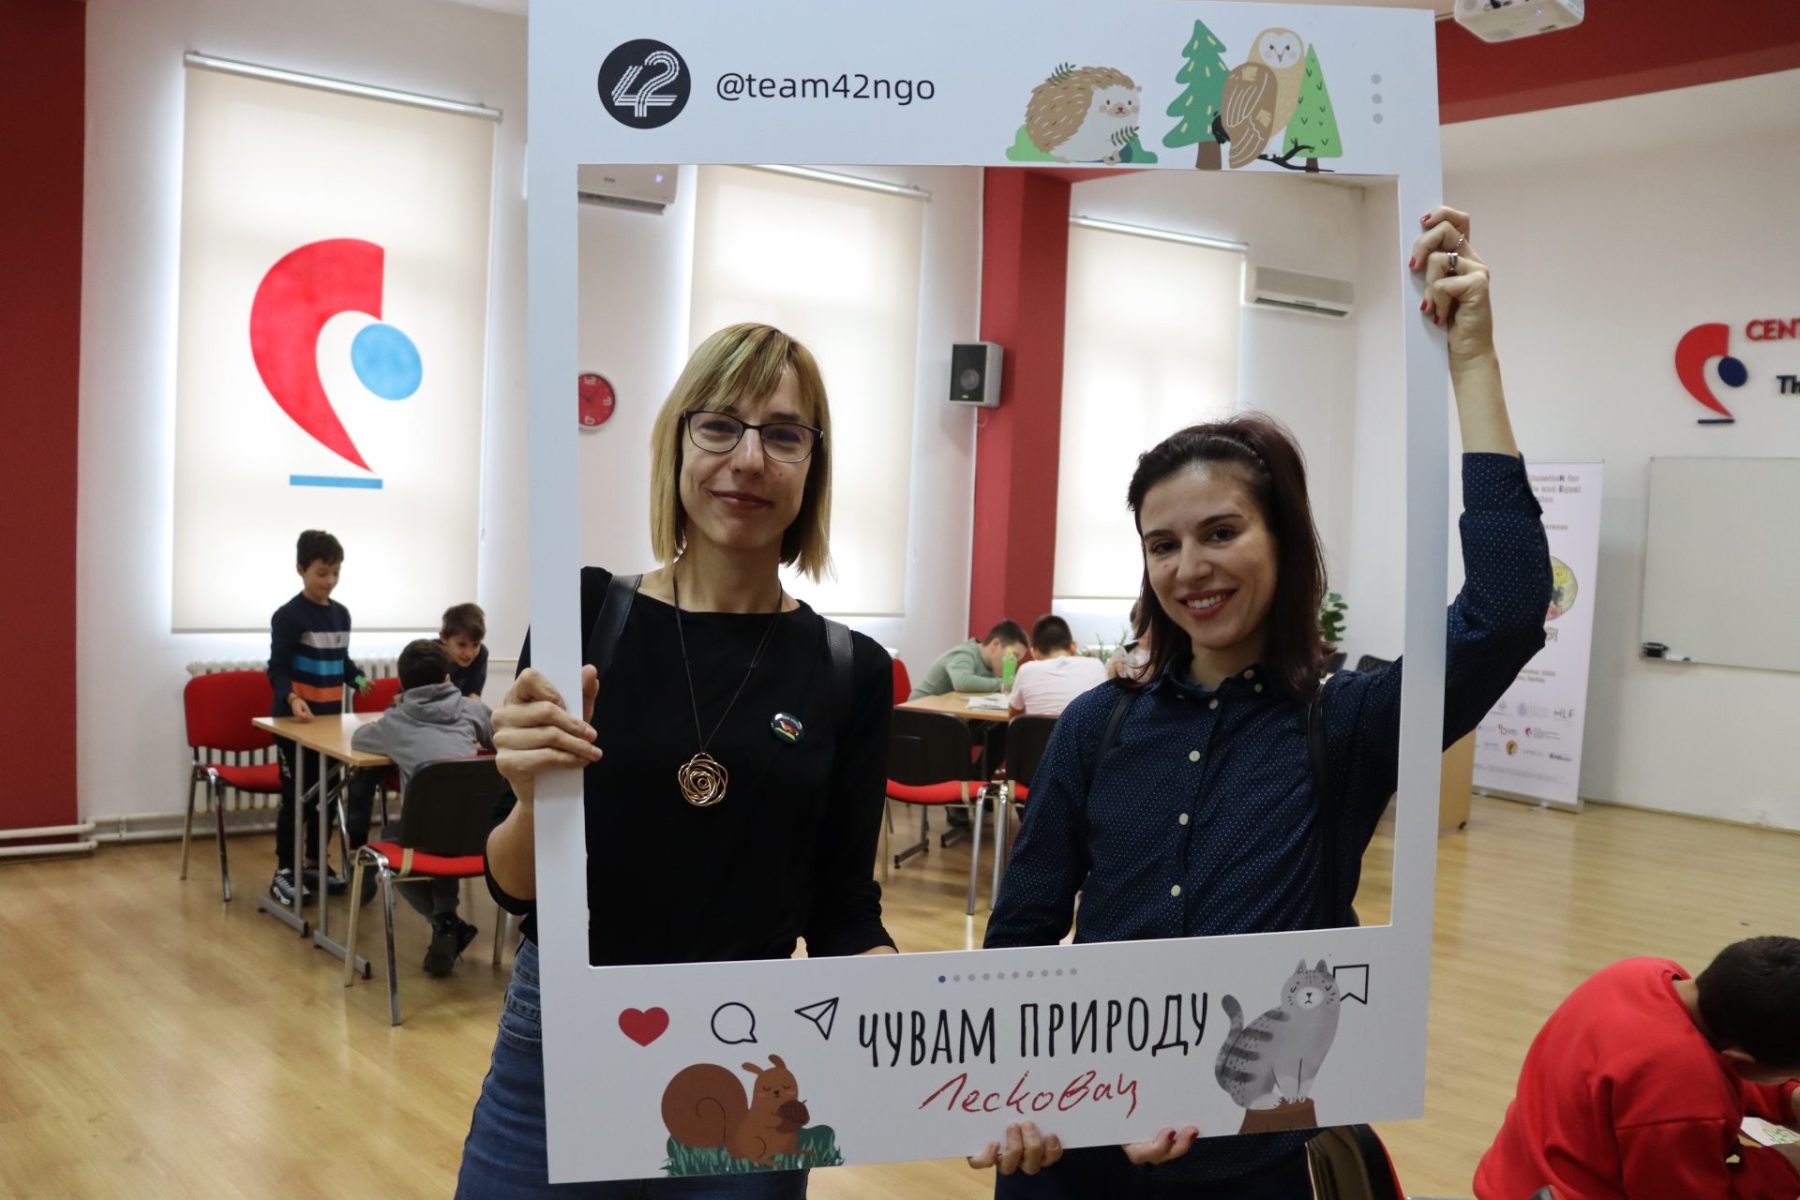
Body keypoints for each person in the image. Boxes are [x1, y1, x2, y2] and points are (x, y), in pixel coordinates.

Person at [975, 206, 1554, 1196]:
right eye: (1163, 545)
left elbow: (1503, 613)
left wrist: (1472, 363)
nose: (1190, 567)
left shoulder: (1350, 721)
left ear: (1282, 542)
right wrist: (1016, 1093)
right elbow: (1022, 934)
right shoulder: (1097, 725)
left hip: (1255, 1153)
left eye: (1221, 532)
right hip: (1079, 1145)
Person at [455, 324, 898, 1198]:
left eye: (784, 434)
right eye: (720, 426)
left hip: (751, 1052)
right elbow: (514, 887)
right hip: (565, 1031)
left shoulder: (851, 670)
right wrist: (530, 800)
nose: (749, 459)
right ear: (677, 444)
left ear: (813, 466)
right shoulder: (585, 612)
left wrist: (943, 1030)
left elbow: (843, 911)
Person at [1475, 937, 1800, 1200]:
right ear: (1741, 1060)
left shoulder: (1643, 974)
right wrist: (1787, 1165)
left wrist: (1787, 1097)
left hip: (1516, 1176)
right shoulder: (1683, 1096)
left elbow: (1682, 1069)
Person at [350, 638, 495, 977]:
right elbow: (497, 739)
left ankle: (444, 922)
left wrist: (397, 709)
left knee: (392, 840)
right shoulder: (473, 710)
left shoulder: (396, 721)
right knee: (444, 826)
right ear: (448, 677)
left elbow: (359, 739)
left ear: (402, 684)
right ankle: (447, 924)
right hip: (480, 835)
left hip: (425, 838)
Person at [266, 529, 371, 907]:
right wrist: (292, 697)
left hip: (329, 724)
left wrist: (358, 679)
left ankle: (314, 862)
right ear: (301, 569)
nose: (329, 581)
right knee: (297, 798)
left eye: (335, 573)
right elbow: (277, 668)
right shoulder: (288, 616)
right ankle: (284, 870)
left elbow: (342, 660)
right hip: (294, 724)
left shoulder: (341, 614)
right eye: (321, 573)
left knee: (326, 796)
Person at [1009, 615, 1106, 717]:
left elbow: (1014, 716)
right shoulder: (1097, 666)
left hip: (1039, 728)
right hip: (1085, 727)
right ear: (1073, 646)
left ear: (1034, 652)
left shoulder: (1026, 670)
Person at [910, 621, 1030, 699]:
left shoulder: (992, 666)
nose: (1014, 663)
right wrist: (1004, 684)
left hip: (947, 714)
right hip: (918, 713)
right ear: (995, 644)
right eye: (1014, 656)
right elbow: (962, 682)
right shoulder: (965, 653)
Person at [440, 602, 489, 700]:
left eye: (475, 645)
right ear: (444, 638)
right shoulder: (429, 655)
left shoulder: (481, 654)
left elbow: (474, 696)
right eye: (462, 645)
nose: (469, 654)